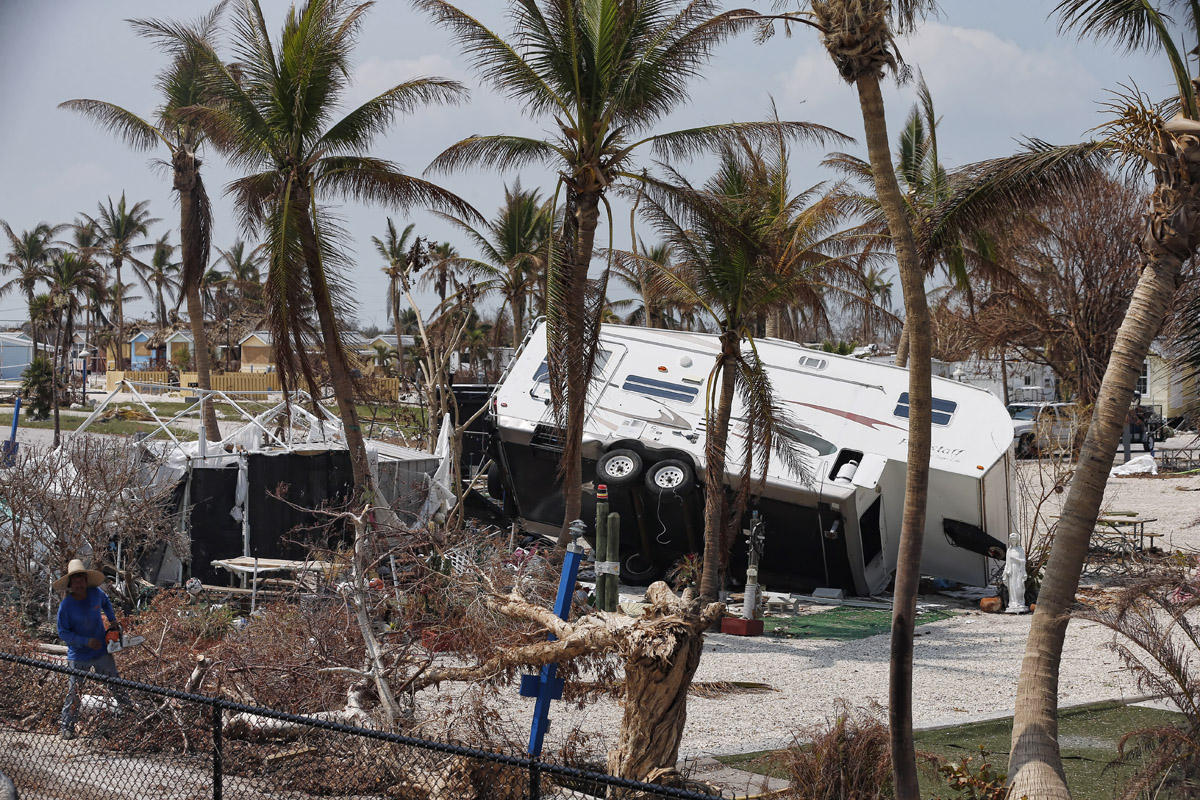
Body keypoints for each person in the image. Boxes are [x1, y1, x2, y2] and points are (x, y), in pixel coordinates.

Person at [54, 559, 132, 739]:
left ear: (86, 580)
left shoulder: (96, 593)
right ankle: (67, 726)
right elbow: (63, 633)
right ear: (70, 583)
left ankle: (130, 715)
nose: (79, 583)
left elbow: (106, 602)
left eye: (81, 579)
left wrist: (112, 621)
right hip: (78, 655)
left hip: (101, 652)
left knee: (116, 683)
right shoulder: (65, 606)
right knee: (75, 692)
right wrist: (85, 641)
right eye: (75, 580)